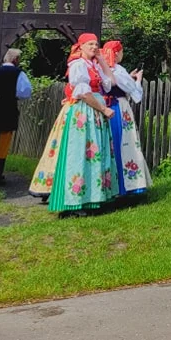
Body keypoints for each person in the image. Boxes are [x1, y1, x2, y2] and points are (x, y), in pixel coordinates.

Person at [45, 33, 119, 215]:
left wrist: (102, 60)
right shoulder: (78, 65)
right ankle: (74, 203)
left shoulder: (93, 65)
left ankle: (92, 198)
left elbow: (111, 83)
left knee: (94, 155)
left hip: (94, 112)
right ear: (81, 46)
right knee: (79, 154)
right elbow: (84, 94)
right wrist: (103, 109)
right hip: (83, 113)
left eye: (96, 45)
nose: (94, 47)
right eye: (90, 44)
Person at [102, 40, 151, 197]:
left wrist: (127, 77)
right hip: (119, 107)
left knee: (109, 144)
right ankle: (128, 186)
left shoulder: (100, 67)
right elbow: (136, 94)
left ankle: (109, 185)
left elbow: (114, 83)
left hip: (104, 107)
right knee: (125, 143)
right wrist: (137, 80)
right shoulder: (118, 69)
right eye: (121, 52)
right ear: (116, 54)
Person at [0, 48, 32, 187]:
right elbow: (25, 92)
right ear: (16, 60)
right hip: (8, 111)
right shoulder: (18, 73)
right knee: (3, 143)